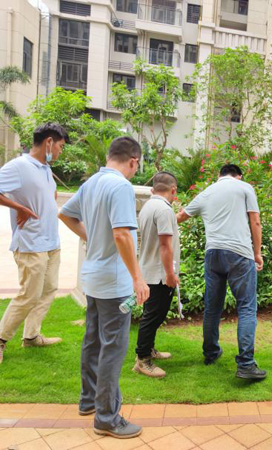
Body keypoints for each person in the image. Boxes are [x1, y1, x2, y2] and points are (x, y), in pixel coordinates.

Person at [59, 136, 150, 439]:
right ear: (133, 161)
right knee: (113, 347)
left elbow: (65, 214)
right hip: (114, 282)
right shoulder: (120, 186)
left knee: (93, 341)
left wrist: (92, 237)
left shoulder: (91, 183)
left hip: (94, 278)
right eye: (137, 166)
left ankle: (89, 401)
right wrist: (138, 277)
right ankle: (107, 418)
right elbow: (122, 234)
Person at [177, 163, 266, 379]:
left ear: (219, 175)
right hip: (239, 254)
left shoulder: (207, 192)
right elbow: (255, 221)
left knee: (212, 307)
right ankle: (246, 364)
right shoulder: (244, 187)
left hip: (213, 254)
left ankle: (210, 353)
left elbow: (179, 217)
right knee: (246, 307)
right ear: (239, 176)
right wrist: (257, 253)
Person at [0, 123, 69, 364]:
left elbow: (48, 195)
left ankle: (31, 336)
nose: (61, 151)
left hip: (51, 242)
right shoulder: (19, 166)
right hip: (31, 243)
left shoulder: (45, 168)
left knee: (48, 290)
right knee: (29, 295)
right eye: (60, 146)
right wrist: (18, 207)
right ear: (49, 142)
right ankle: (1, 339)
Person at [133, 171, 180, 379]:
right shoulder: (164, 209)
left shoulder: (149, 206)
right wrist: (170, 274)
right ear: (173, 190)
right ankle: (143, 360)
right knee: (153, 316)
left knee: (153, 314)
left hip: (149, 269)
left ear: (153, 188)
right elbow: (165, 245)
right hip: (159, 273)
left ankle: (149, 350)